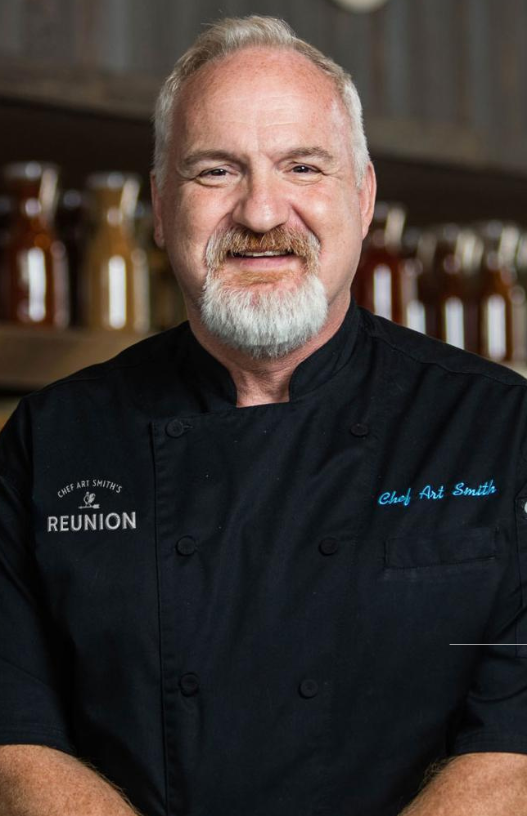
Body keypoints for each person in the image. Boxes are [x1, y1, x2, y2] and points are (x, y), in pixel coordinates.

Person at [1, 14, 527, 816]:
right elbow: (14, 734)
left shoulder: (499, 429)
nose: (260, 210)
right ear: (160, 202)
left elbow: (512, 748)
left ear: (363, 192)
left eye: (302, 166)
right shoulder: (50, 441)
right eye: (216, 170)